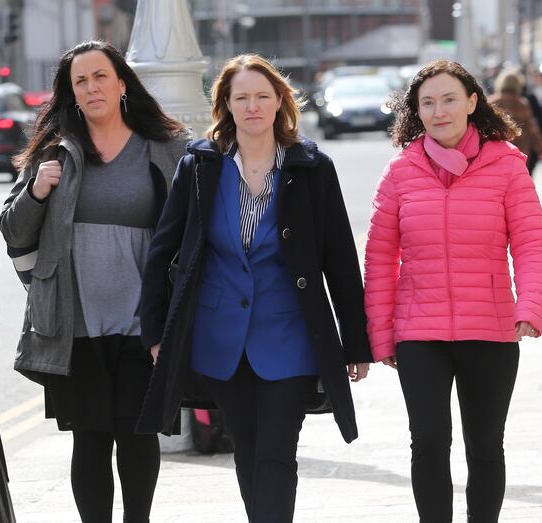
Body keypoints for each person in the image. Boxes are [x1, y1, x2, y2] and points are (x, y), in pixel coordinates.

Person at [136, 54, 373, 522]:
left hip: (290, 337)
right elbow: (163, 251)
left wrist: (355, 343)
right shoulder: (201, 165)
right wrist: (156, 332)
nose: (252, 106)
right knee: (247, 449)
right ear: (224, 104)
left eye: (262, 96)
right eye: (240, 97)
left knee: (277, 450)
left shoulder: (312, 168)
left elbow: (341, 260)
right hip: (220, 339)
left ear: (280, 101)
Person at [0, 40, 187, 523]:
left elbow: (195, 229)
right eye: (80, 81)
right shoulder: (55, 150)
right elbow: (14, 230)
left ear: (121, 83)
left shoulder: (167, 147)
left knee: (138, 434)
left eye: (100, 76)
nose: (91, 87)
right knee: (91, 437)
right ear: (71, 93)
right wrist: (38, 190)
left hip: (143, 322)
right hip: (75, 321)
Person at [365, 60, 542, 522]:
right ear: (416, 111)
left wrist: (529, 304)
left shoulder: (507, 166)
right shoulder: (399, 173)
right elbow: (379, 258)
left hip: (489, 329)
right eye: (427, 102)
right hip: (419, 333)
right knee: (428, 440)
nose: (439, 110)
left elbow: (531, 242)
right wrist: (381, 332)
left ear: (472, 102)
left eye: (449, 99)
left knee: (486, 444)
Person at [488, 68, 542, 172]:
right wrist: (541, 148)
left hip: (497, 151)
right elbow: (532, 129)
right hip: (520, 151)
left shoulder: (492, 102)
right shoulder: (522, 104)